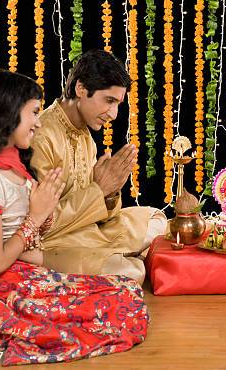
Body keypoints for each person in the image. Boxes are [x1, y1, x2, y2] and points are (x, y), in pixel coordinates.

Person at [0, 70, 149, 365]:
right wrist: (35, 218)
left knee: (128, 293)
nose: (38, 122)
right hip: (1, 288)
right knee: (110, 309)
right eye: (34, 113)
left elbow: (36, 242)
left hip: (29, 273)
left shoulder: (17, 170)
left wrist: (47, 213)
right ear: (8, 114)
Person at [31, 50, 167, 282]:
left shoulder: (84, 135)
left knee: (157, 219)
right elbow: (40, 224)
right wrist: (99, 190)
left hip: (87, 230)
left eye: (118, 104)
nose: (114, 114)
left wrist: (111, 193)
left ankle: (114, 253)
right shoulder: (42, 136)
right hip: (51, 242)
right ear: (81, 89)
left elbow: (100, 214)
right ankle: (117, 255)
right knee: (131, 273)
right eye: (109, 101)